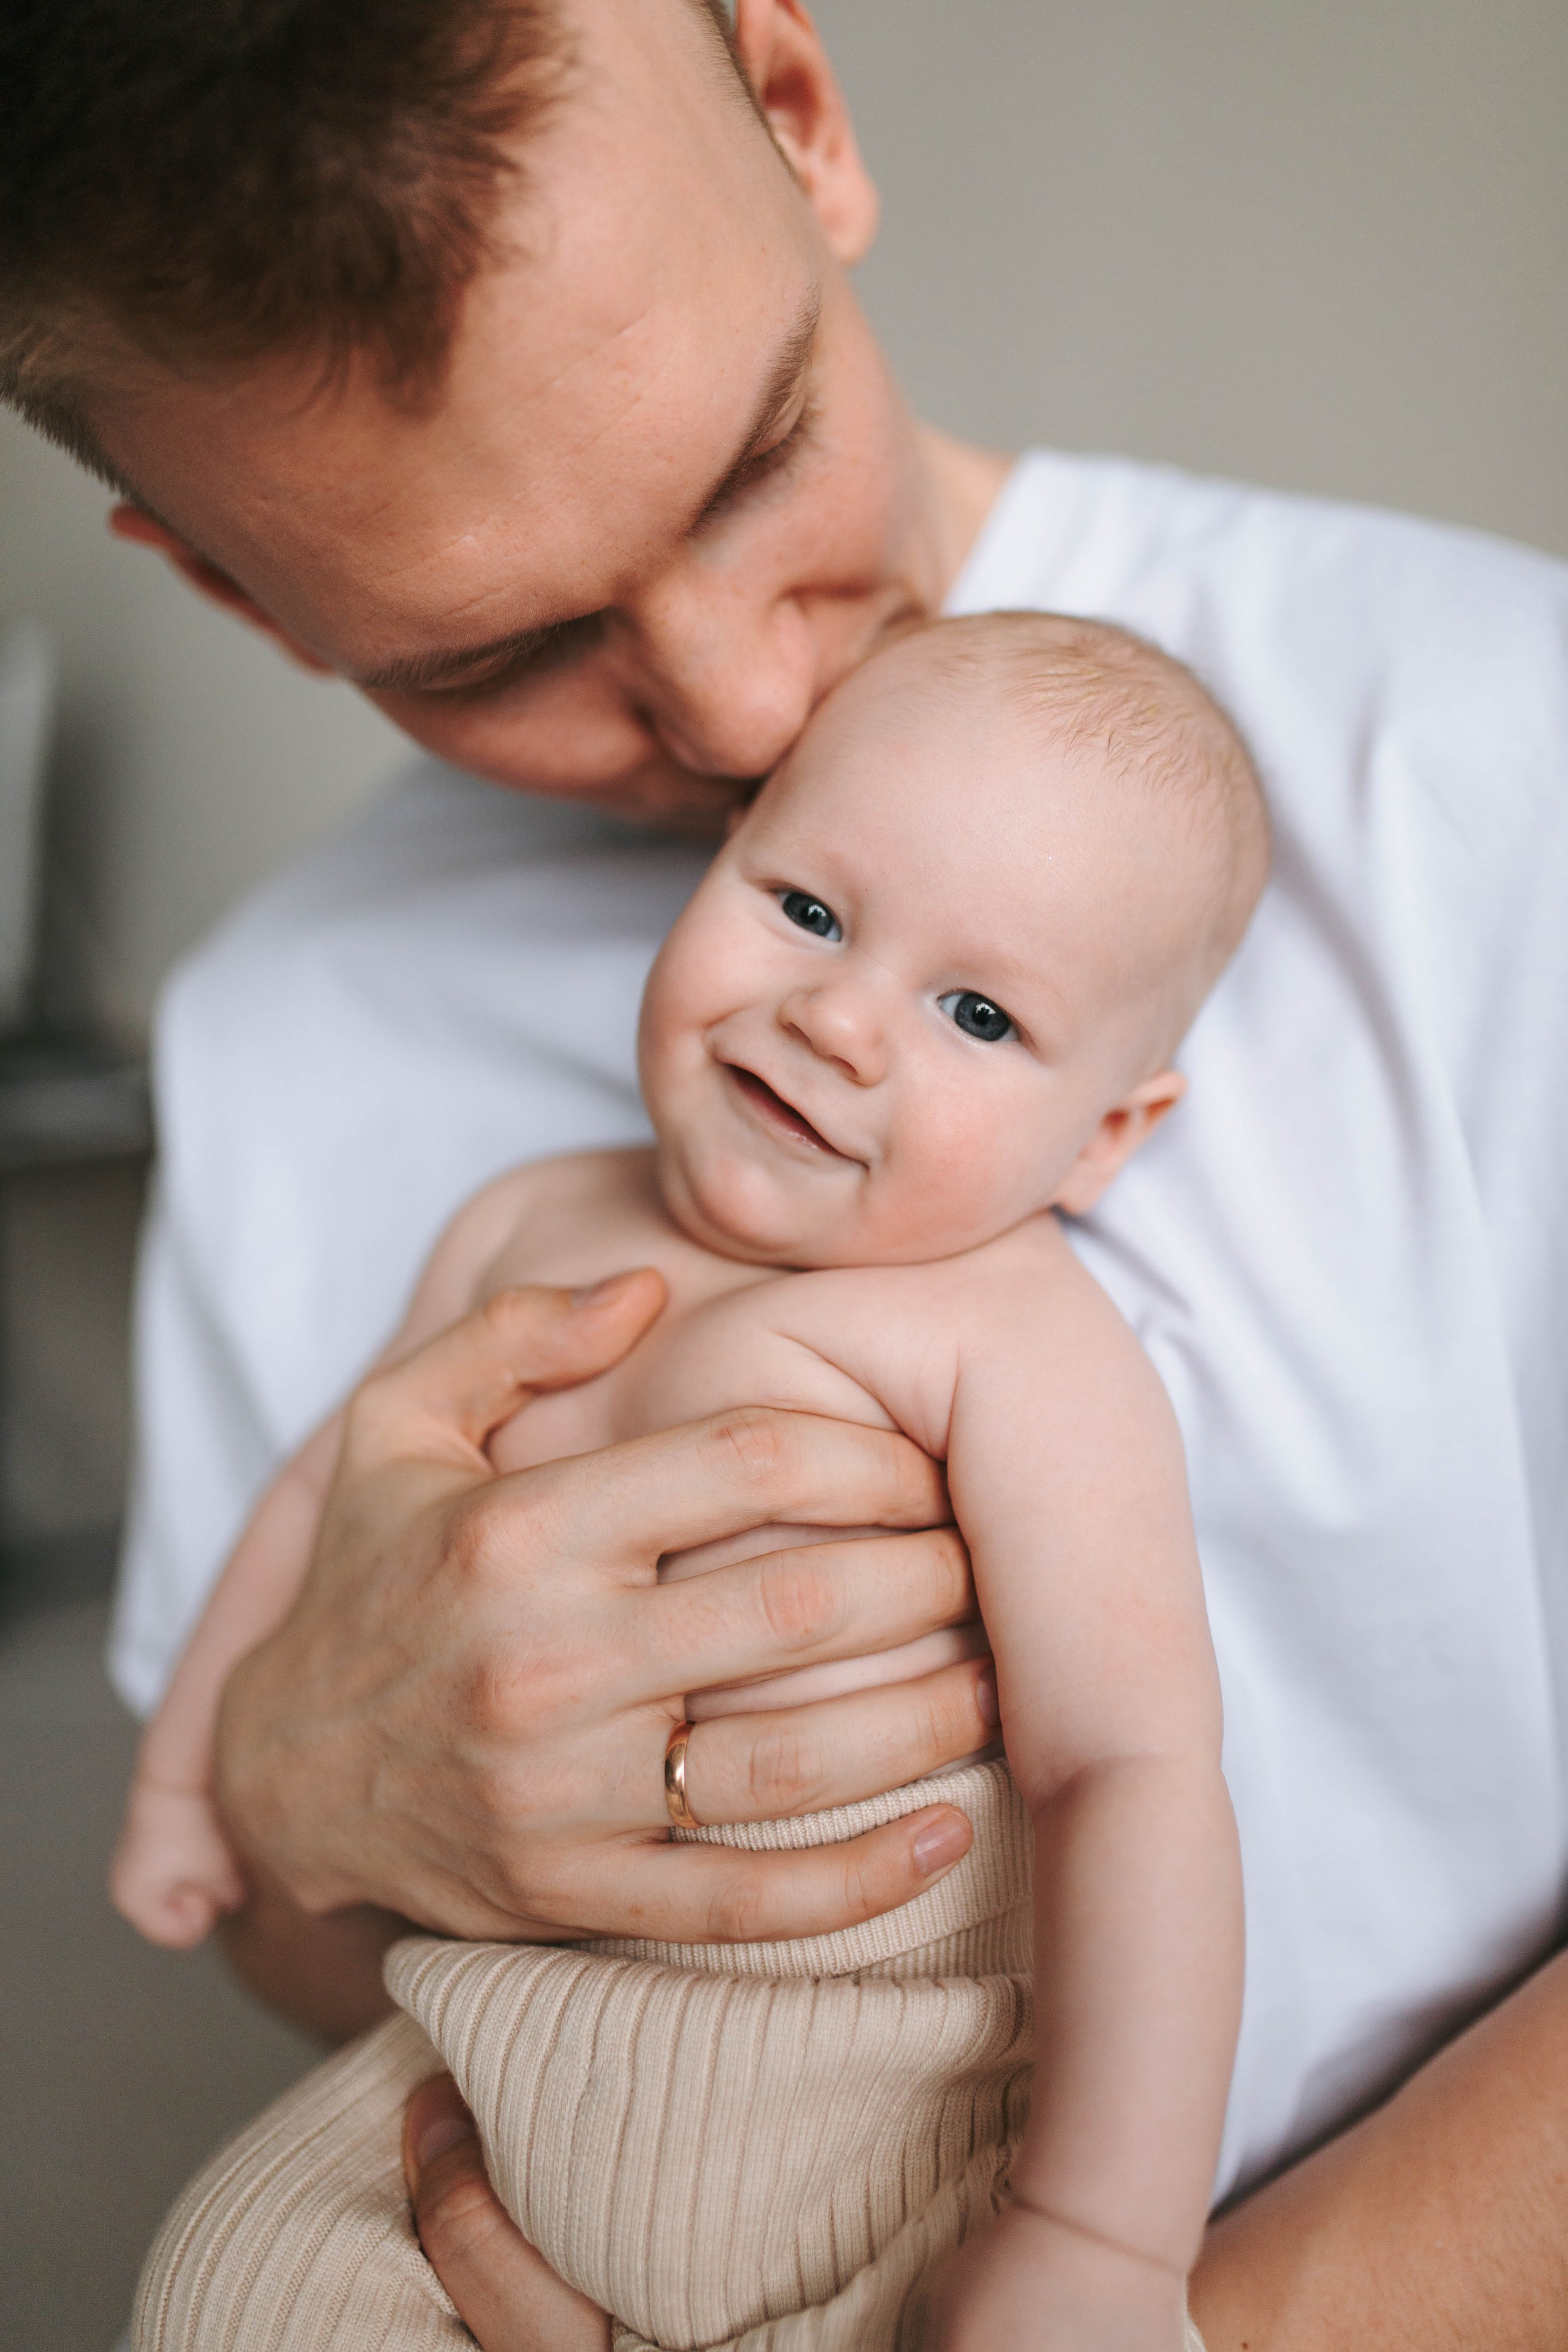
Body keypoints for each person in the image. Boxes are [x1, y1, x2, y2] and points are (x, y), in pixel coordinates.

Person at [4, 1, 1568, 2344]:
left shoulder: (1504, 758)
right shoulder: (287, 1036)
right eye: (504, 649)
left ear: (804, 115)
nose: (751, 717)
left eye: (753, 464)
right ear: (236, 586)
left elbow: (1134, 1767)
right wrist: (292, 1786)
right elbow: (291, 1928)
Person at [121, 612, 1262, 2351]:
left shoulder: (1005, 1331)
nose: (839, 1019)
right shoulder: (525, 1220)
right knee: (223, 2285)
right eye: (807, 909)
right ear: (720, 855)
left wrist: (1103, 2234)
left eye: (977, 1013)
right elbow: (324, 1506)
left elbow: (1129, 1768)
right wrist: (187, 1780)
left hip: (872, 2084)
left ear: (1106, 1134)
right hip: (497, 2022)